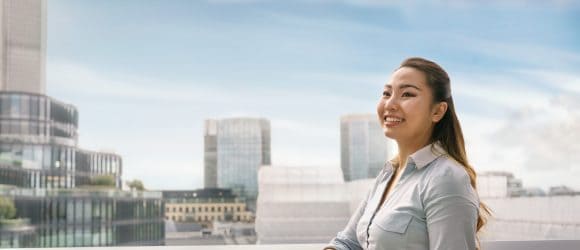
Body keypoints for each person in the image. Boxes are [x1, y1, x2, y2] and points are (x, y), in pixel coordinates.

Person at [325, 57, 490, 250]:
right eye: (386, 93)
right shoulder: (387, 175)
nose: (390, 104)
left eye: (407, 94)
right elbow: (348, 243)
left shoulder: (446, 179)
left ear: (437, 111)